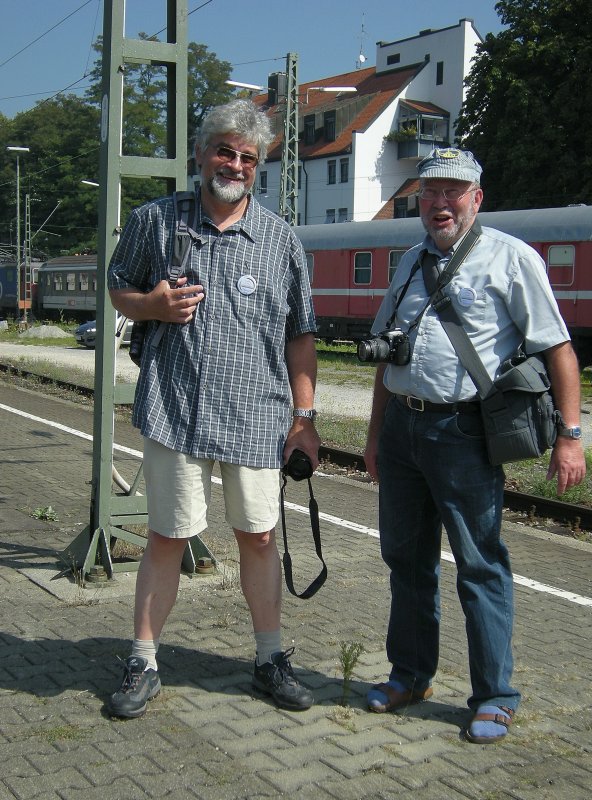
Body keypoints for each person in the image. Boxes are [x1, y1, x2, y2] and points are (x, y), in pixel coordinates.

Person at [363, 147, 586, 743]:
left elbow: (559, 350)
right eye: (429, 192)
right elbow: (386, 356)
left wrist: (571, 437)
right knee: (405, 564)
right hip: (405, 431)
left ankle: (494, 695)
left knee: (480, 566)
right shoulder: (409, 261)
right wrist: (374, 435)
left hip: (464, 433)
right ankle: (410, 675)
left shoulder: (511, 258)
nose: (439, 202)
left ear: (476, 199)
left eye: (453, 192)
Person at [106, 99, 320, 718]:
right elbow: (119, 287)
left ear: (259, 167)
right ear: (201, 154)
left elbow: (300, 335)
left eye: (247, 157)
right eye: (224, 150)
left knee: (257, 537)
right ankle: (143, 662)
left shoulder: (281, 240)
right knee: (167, 537)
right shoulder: (156, 220)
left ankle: (270, 659)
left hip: (258, 416)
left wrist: (304, 420)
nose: (235, 164)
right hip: (177, 410)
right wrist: (154, 306)